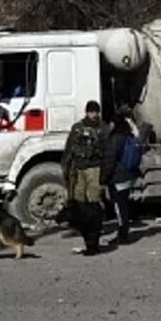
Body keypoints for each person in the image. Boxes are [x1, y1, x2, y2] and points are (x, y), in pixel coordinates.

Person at [61, 101, 107, 255]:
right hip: (78, 167)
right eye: (91, 112)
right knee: (78, 198)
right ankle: (79, 227)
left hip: (94, 167)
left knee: (94, 197)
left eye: (96, 112)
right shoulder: (77, 128)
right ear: (87, 112)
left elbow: (107, 150)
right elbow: (69, 147)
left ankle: (95, 229)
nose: (94, 114)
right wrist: (65, 166)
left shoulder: (103, 128)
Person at [99, 106, 140, 245]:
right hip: (128, 176)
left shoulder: (115, 138)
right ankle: (124, 233)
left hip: (118, 177)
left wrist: (103, 179)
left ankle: (123, 236)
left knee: (119, 207)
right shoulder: (129, 135)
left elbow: (110, 160)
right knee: (124, 205)